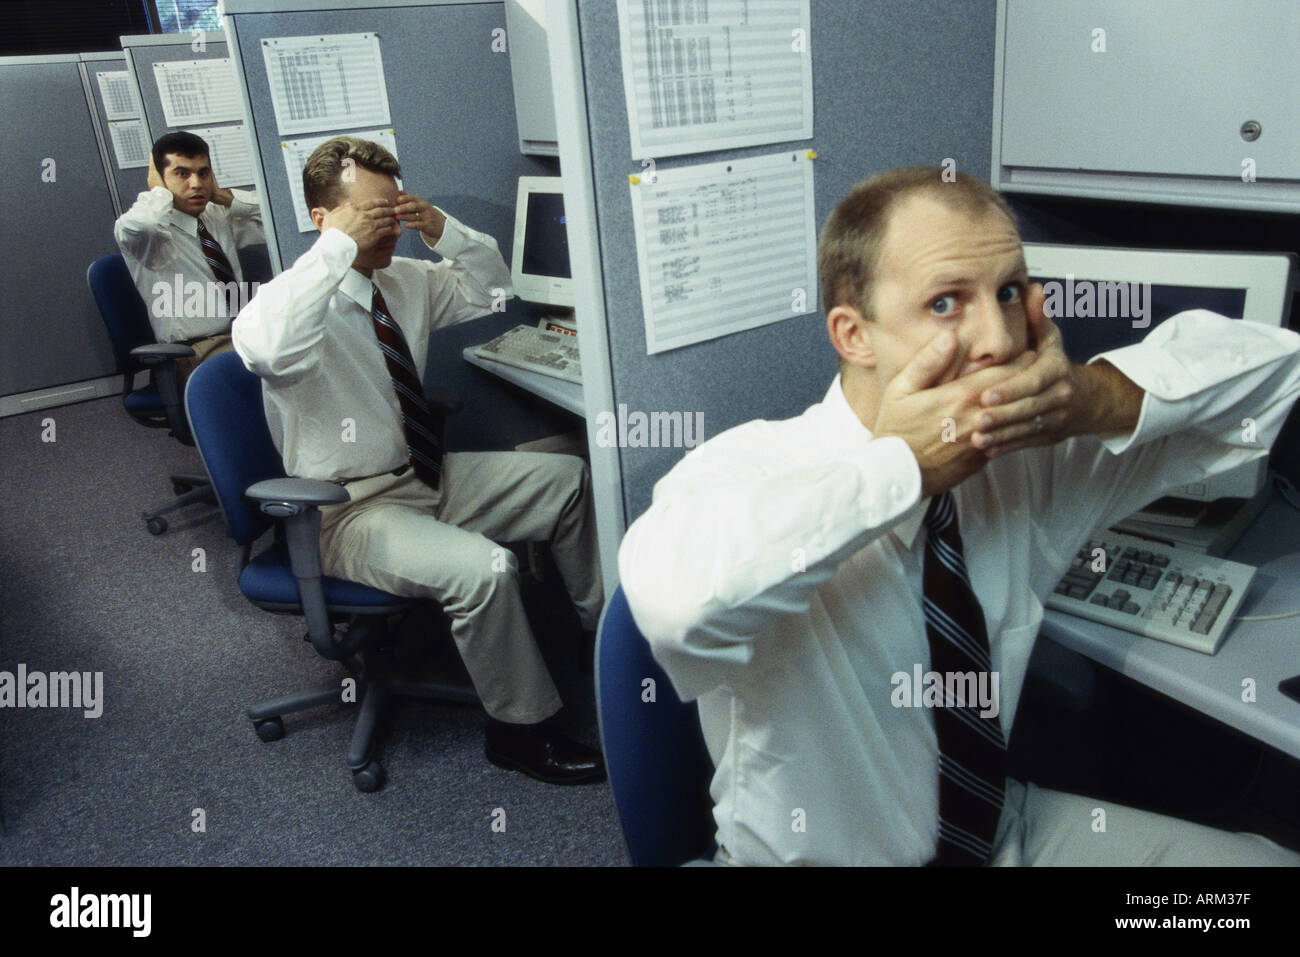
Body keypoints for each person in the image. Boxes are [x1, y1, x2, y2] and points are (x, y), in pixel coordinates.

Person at [618, 166, 1300, 865]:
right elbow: (675, 604)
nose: (1000, 340)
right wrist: (901, 469)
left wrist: (1092, 398)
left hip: (1005, 836)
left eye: (1008, 292)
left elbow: (1279, 373)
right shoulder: (752, 469)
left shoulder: (1020, 461)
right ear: (854, 335)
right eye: (946, 303)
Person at [232, 136, 604, 785]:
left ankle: (604, 637)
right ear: (324, 221)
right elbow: (268, 350)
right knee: (485, 569)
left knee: (568, 479)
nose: (386, 228)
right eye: (368, 214)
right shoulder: (289, 303)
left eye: (392, 209)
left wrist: (438, 228)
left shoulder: (403, 282)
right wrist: (337, 250)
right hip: (349, 510)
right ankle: (521, 731)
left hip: (425, 476)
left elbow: (492, 288)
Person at [114, 131, 265, 384]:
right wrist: (159, 191)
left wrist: (220, 195)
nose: (196, 184)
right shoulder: (144, 234)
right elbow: (147, 223)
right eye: (182, 174)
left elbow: (278, 217)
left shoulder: (215, 215)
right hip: (196, 350)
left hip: (243, 333)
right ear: (160, 179)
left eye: (203, 173)